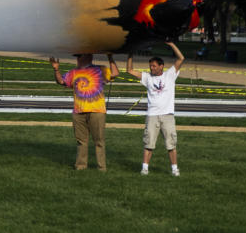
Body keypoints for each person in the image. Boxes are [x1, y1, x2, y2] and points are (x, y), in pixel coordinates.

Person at [51, 52, 117, 171]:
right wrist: (56, 70)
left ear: (89, 57)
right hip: (79, 112)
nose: (77, 59)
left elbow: (115, 73)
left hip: (97, 111)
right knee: (81, 141)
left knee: (99, 141)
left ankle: (101, 167)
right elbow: (61, 81)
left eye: (79, 56)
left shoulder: (100, 70)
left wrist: (110, 57)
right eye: (77, 57)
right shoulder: (73, 72)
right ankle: (81, 166)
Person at [127, 41, 185, 176]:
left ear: (161, 66)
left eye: (153, 66)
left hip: (168, 115)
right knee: (148, 143)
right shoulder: (147, 77)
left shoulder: (170, 74)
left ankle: (175, 169)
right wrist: (130, 53)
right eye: (150, 66)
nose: (151, 68)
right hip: (152, 115)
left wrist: (171, 45)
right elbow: (130, 70)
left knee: (171, 144)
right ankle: (145, 168)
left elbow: (181, 58)